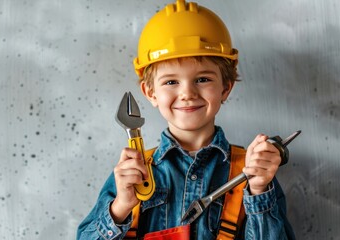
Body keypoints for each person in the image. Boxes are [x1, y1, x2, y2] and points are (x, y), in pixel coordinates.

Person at [77, 0, 296, 239]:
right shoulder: (133, 175)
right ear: (151, 93)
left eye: (202, 79)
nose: (187, 93)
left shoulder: (252, 173)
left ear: (225, 88)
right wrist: (120, 208)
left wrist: (259, 190)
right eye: (171, 82)